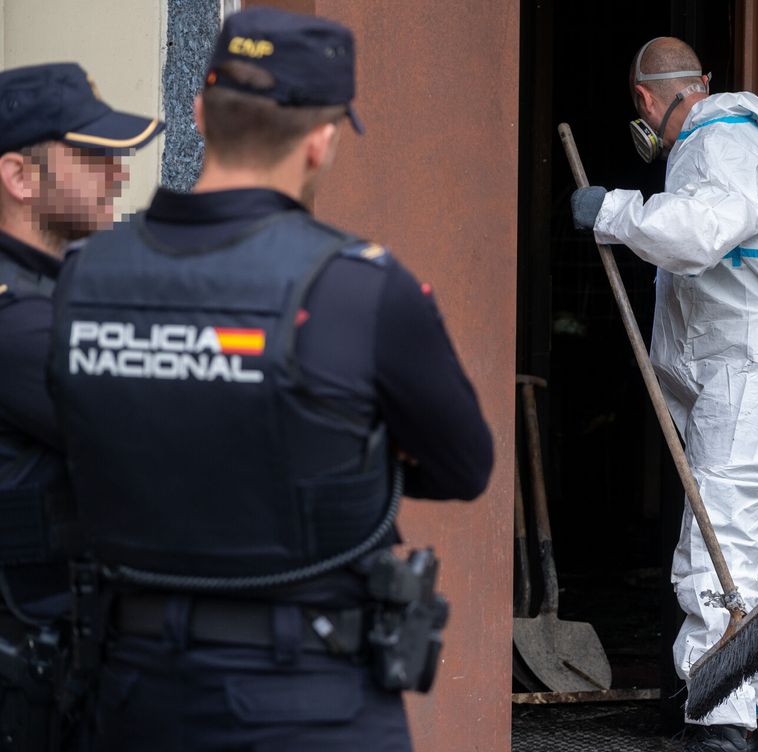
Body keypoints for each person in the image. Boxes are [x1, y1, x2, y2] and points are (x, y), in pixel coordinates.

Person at [46, 8, 493, 751]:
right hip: (305, 700)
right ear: (321, 141)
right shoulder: (359, 287)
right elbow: (463, 467)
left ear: (199, 114)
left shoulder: (84, 276)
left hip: (128, 691)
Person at [571, 36, 758, 752]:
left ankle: (720, 723)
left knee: (715, 549)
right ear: (705, 80)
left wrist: (612, 211)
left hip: (752, 374)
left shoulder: (711, 143)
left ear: (645, 101)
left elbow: (696, 232)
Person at [0, 62, 163, 751]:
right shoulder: (13, 320)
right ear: (19, 176)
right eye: (94, 158)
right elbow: (158, 433)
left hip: (65, 656)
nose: (118, 175)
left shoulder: (58, 289)